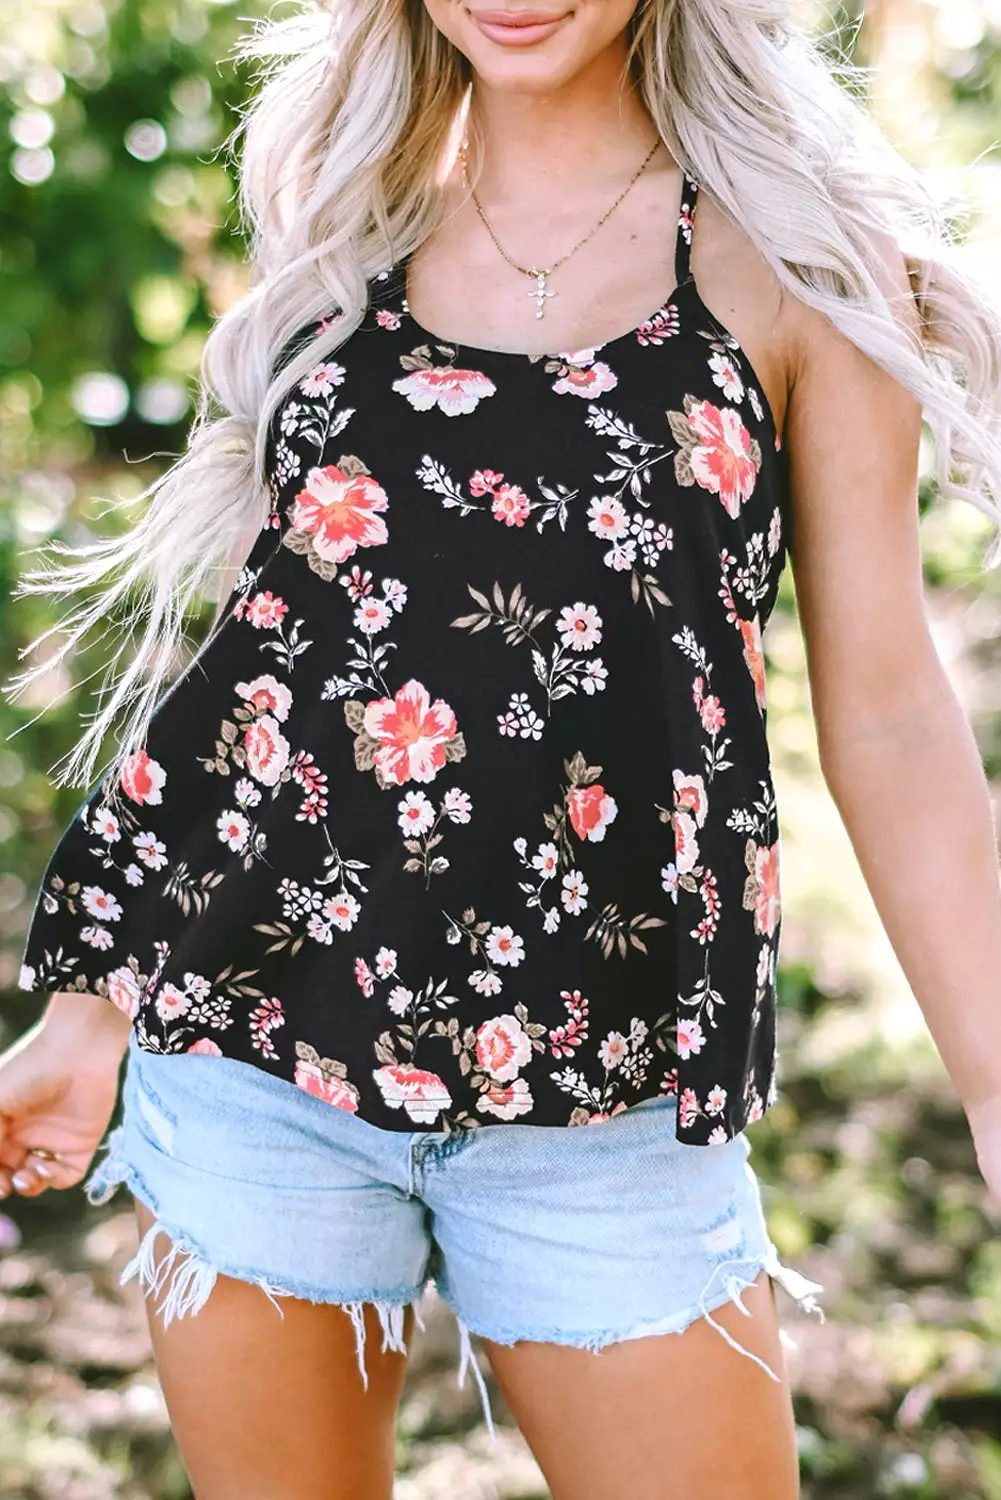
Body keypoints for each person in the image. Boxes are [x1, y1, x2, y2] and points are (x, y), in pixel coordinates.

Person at [5, 0, 1001, 1495]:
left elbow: (887, 705)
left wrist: (995, 1073)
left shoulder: (794, 263)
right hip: (260, 1069)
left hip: (609, 1110)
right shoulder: (351, 216)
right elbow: (273, 666)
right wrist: (93, 1004)